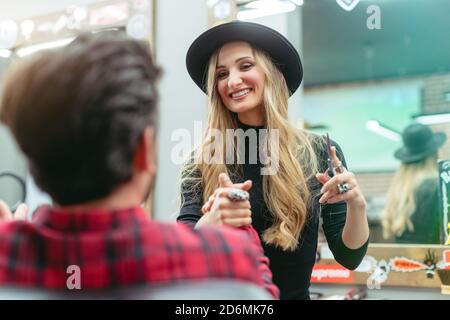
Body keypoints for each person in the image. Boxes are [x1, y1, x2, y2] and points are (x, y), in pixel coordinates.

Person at [0, 31, 278, 298]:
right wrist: (240, 229)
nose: (233, 81)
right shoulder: (226, 261)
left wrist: (11, 244)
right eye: (222, 73)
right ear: (144, 151)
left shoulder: (9, 259)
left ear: (34, 161)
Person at [177, 21, 369, 299]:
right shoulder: (202, 159)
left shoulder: (317, 152)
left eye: (245, 66)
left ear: (271, 73)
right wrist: (211, 220)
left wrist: (356, 204)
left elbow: (349, 257)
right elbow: (184, 254)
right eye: (221, 73)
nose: (232, 81)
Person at [382, 123, 447, 244]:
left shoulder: (399, 189)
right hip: (433, 259)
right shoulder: (438, 187)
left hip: (402, 260)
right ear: (434, 154)